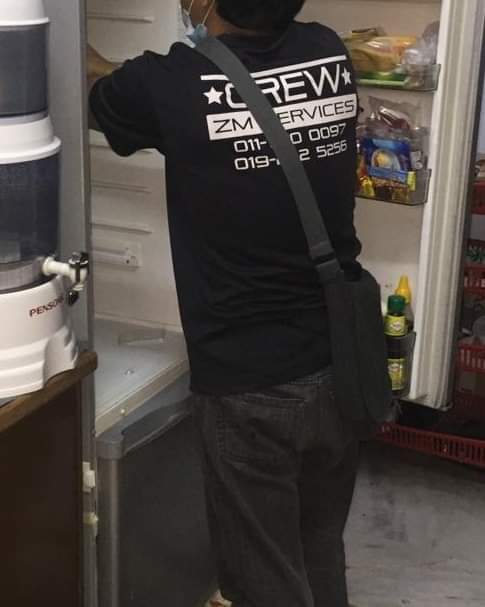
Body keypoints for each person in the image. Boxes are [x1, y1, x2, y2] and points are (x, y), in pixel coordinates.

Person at [88, 1, 362, 606]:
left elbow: (88, 88)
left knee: (263, 574)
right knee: (318, 544)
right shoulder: (329, 52)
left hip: (247, 383)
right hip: (340, 358)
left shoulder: (169, 83)